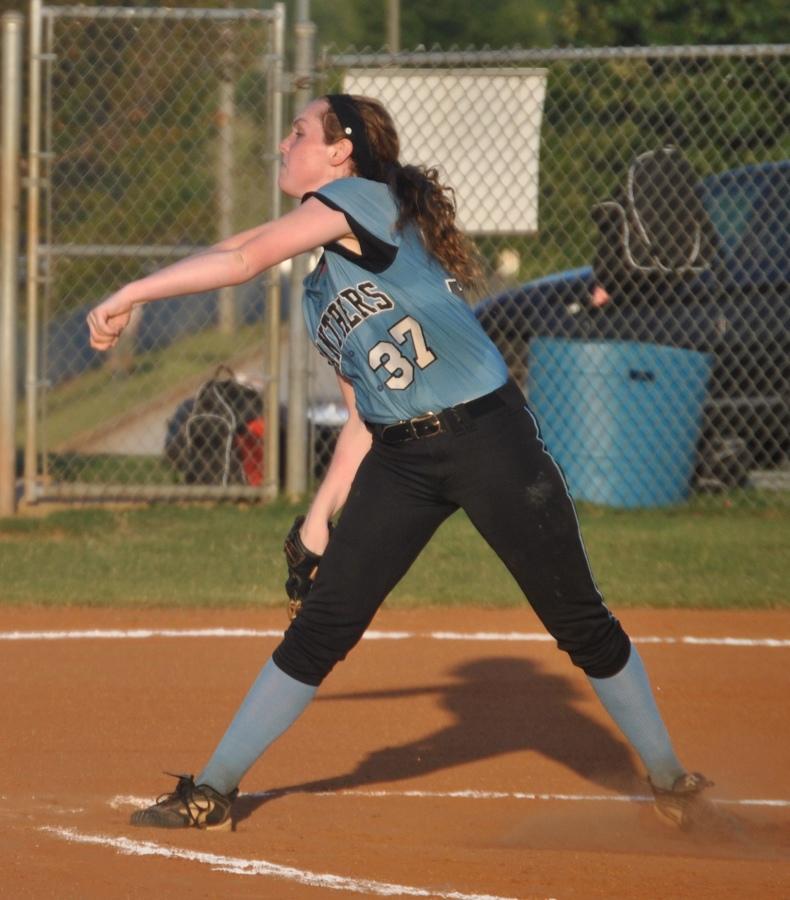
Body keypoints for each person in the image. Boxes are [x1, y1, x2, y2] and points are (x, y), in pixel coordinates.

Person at [88, 94, 714, 833]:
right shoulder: (321, 286)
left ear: (342, 152)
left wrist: (129, 294)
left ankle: (671, 780)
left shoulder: (362, 200)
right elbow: (362, 411)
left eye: (299, 133)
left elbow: (242, 256)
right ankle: (213, 790)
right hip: (401, 459)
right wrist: (320, 518)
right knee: (322, 628)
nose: (283, 145)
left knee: (578, 619)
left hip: (489, 438)